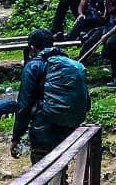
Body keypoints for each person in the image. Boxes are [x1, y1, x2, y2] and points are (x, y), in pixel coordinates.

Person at [10, 29, 91, 162]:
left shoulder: (34, 66)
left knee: (42, 165)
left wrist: (16, 137)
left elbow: (24, 105)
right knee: (60, 163)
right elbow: (86, 101)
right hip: (70, 125)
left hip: (44, 128)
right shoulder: (70, 63)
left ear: (32, 48)